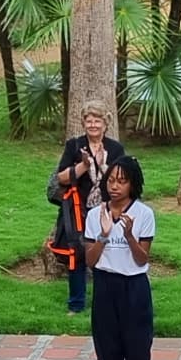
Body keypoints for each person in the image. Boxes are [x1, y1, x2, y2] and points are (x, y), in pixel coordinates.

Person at [83, 156, 156, 360]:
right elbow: (90, 261)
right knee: (108, 351)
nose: (114, 186)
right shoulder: (95, 215)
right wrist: (103, 235)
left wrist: (128, 236)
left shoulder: (144, 214)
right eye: (111, 180)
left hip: (134, 287)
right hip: (105, 286)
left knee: (137, 351)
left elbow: (141, 259)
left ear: (133, 184)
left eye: (122, 181)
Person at [50, 103, 128, 316]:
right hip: (78, 209)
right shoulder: (75, 146)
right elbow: (61, 178)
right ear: (83, 123)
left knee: (109, 251)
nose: (93, 125)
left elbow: (122, 178)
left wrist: (102, 165)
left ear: (105, 124)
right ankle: (76, 304)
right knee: (78, 254)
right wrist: (84, 165)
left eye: (97, 121)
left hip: (107, 207)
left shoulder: (115, 148)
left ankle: (109, 301)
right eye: (89, 121)